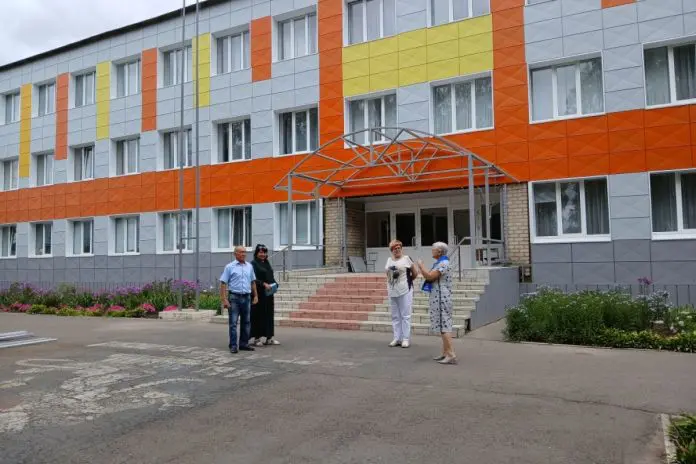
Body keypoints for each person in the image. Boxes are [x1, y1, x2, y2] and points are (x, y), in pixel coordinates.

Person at [417, 242, 457, 365]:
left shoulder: (443, 263)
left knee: (444, 325)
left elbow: (430, 277)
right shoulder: (441, 262)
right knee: (442, 325)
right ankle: (445, 352)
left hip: (441, 298)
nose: (432, 251)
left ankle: (451, 354)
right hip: (438, 297)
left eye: (433, 249)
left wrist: (421, 266)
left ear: (439, 251)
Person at [220, 246, 258, 354]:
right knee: (233, 323)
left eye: (245, 252)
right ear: (235, 253)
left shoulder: (249, 266)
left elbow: (253, 282)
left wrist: (256, 295)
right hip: (234, 298)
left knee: (246, 322)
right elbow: (223, 283)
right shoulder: (229, 267)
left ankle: (243, 344)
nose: (243, 254)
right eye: (241, 252)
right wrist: (224, 299)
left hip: (247, 297)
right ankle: (233, 345)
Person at [385, 239, 418, 348]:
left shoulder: (406, 259)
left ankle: (405, 338)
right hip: (392, 291)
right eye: (394, 248)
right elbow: (387, 274)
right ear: (391, 250)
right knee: (395, 316)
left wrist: (407, 282)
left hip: (405, 290)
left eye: (399, 248)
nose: (397, 250)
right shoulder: (389, 260)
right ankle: (397, 338)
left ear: (401, 248)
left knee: (405, 315)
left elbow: (415, 273)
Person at [250, 243, 280, 347]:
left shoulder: (267, 263)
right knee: (258, 315)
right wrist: (263, 284)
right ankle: (256, 338)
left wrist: (275, 284)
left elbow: (270, 276)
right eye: (261, 252)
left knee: (269, 316)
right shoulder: (253, 264)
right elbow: (253, 279)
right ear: (256, 253)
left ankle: (269, 338)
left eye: (264, 252)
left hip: (268, 294)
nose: (263, 254)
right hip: (258, 294)